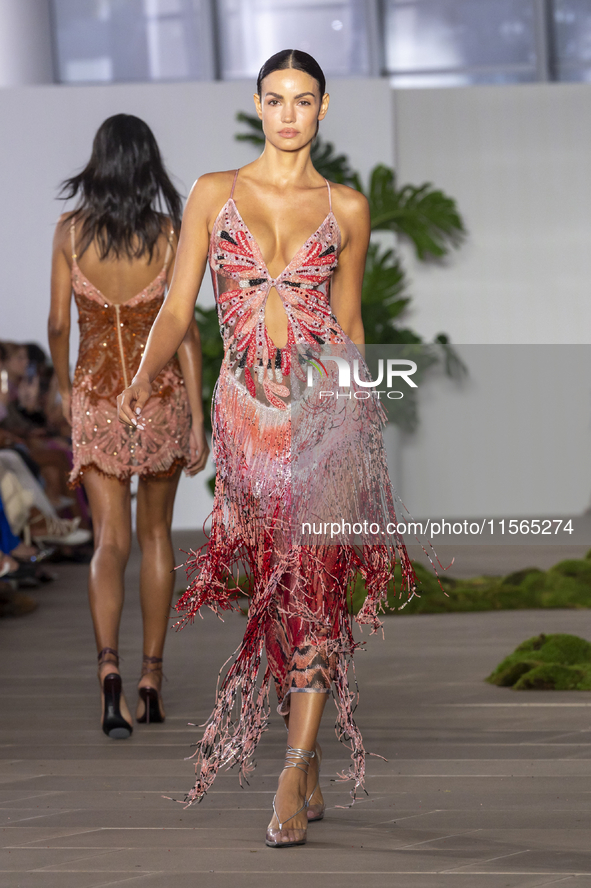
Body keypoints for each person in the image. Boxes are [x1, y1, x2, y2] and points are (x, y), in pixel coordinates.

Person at [118, 51, 417, 846]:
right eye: (276, 99)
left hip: (324, 418)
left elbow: (346, 328)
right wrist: (141, 379)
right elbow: (179, 308)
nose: (289, 113)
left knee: (313, 590)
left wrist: (358, 424)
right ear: (258, 104)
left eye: (304, 100)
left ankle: (291, 769)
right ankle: (311, 754)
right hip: (246, 421)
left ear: (324, 109)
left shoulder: (346, 208)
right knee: (276, 595)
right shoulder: (215, 195)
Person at [48, 115, 209, 740]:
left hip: (95, 396)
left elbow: (59, 324)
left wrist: (66, 390)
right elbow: (186, 331)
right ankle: (150, 677)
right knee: (155, 537)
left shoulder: (70, 232)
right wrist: (196, 416)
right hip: (159, 395)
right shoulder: (169, 236)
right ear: (148, 164)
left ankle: (108, 671)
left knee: (108, 541)